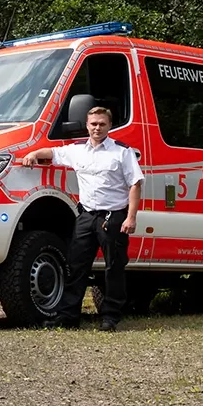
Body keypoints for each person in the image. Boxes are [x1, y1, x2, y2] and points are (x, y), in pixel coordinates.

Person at [22, 104, 143, 330]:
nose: (97, 128)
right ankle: (68, 317)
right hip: (86, 216)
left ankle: (110, 317)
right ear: (87, 126)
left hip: (113, 217)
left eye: (102, 124)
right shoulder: (77, 150)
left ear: (109, 126)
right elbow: (54, 153)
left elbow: (135, 184)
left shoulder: (121, 152)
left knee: (113, 268)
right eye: (93, 124)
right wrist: (34, 154)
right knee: (76, 266)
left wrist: (131, 218)